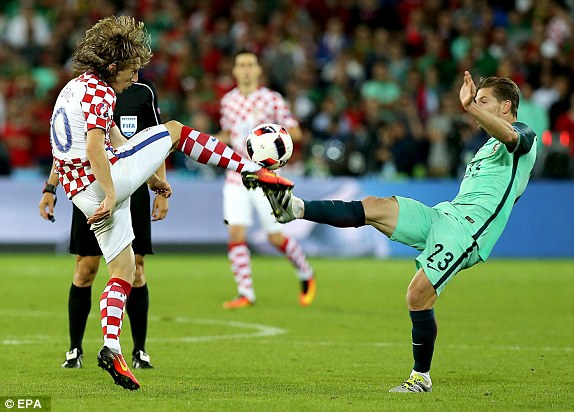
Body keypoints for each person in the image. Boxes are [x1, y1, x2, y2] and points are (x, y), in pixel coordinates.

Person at [44, 15, 291, 391]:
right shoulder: (102, 91)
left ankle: (111, 347)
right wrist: (113, 193)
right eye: (130, 71)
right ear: (113, 66)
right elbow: (96, 147)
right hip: (102, 181)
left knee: (124, 271)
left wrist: (150, 176)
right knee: (174, 130)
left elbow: (109, 136)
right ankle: (252, 168)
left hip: (81, 192)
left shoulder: (73, 88)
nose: (133, 78)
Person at [262, 72, 537, 392]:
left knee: (417, 295)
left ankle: (421, 378)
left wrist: (468, 109)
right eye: (475, 102)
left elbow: (515, 141)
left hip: (467, 232)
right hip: (444, 215)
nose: (475, 106)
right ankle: (294, 209)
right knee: (376, 206)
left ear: (506, 106)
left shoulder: (523, 136)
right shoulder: (487, 147)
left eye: (483, 101)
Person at [39, 76, 167, 370]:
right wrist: (50, 187)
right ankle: (74, 349)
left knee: (136, 268)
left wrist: (158, 186)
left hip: (130, 188)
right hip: (89, 187)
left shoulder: (143, 91)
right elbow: (68, 145)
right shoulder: (87, 92)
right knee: (86, 268)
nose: (133, 74)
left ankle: (139, 350)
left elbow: (154, 142)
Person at [218, 49, 315, 309]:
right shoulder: (228, 101)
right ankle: (245, 293)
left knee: (275, 237)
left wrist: (273, 138)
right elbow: (229, 133)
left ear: (259, 70)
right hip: (235, 173)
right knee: (236, 233)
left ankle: (306, 273)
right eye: (241, 65)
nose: (246, 69)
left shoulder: (271, 99)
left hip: (266, 175)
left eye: (251, 64)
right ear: (235, 71)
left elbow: (295, 131)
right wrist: (212, 143)